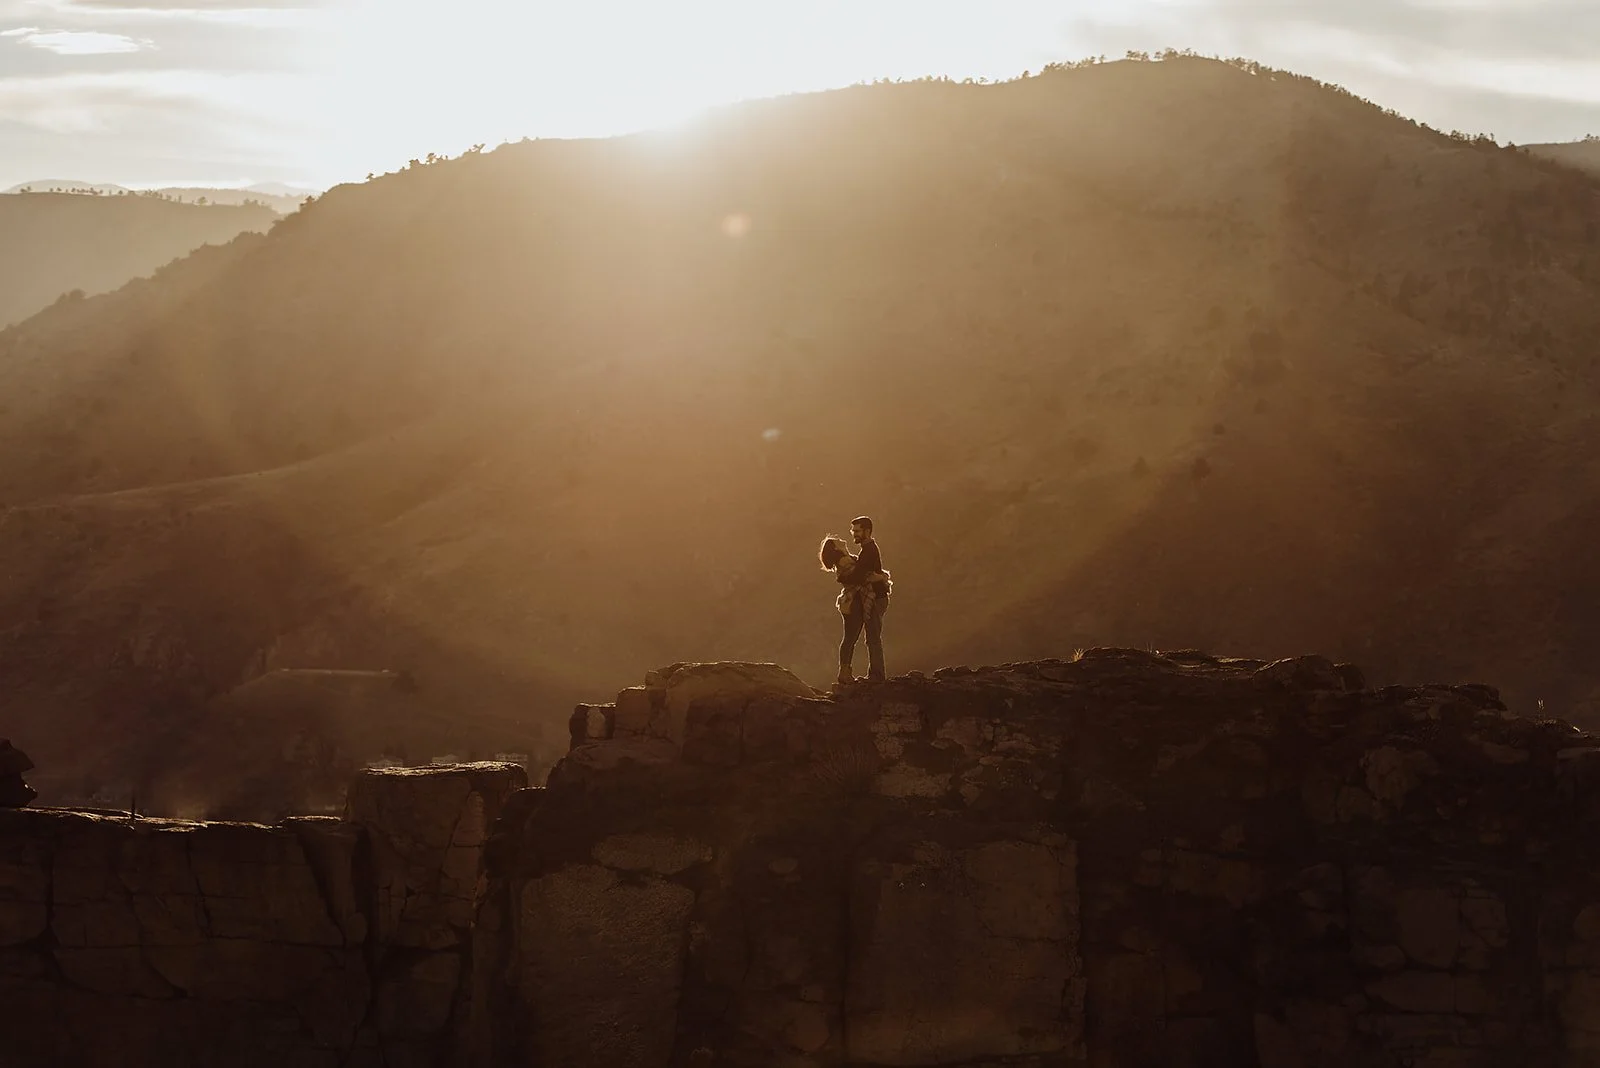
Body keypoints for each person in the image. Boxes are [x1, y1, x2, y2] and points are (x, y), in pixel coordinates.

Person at [817, 516, 891, 686]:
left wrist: (878, 577)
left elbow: (858, 574)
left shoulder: (868, 550)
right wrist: (880, 577)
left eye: (857, 531)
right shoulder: (850, 557)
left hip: (872, 598)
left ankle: (869, 674)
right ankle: (873, 675)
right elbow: (858, 576)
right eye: (853, 531)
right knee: (866, 637)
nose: (851, 535)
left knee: (864, 637)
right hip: (863, 599)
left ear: (867, 531)